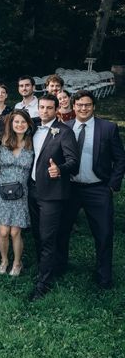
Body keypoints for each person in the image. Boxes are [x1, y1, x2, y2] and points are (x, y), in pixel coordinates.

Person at [58, 90, 125, 289]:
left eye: (87, 105)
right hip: (70, 188)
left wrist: (112, 185)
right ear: (74, 106)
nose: (83, 108)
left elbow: (121, 159)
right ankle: (60, 266)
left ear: (93, 106)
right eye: (79, 105)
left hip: (98, 188)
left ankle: (104, 276)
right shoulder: (64, 127)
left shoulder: (108, 128)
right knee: (62, 229)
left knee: (104, 233)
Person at [27, 93, 79, 301]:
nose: (45, 111)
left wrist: (60, 169)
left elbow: (73, 161)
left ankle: (44, 283)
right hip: (32, 190)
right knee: (38, 235)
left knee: (48, 237)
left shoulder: (64, 132)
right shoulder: (33, 127)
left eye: (49, 108)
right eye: (42, 107)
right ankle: (47, 267)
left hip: (52, 194)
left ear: (56, 109)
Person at [0, 110, 35, 276]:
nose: (20, 125)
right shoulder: (2, 141)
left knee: (15, 231)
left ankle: (17, 263)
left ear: (28, 124)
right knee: (3, 231)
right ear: (11, 124)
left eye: (23, 122)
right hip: (2, 191)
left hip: (21, 192)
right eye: (16, 122)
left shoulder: (32, 143)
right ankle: (4, 260)